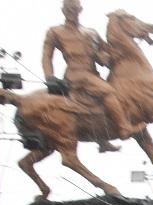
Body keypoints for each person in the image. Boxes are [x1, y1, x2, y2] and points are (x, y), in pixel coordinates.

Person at [42, 0, 141, 149]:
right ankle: (124, 128)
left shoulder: (91, 32)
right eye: (68, 8)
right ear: (63, 10)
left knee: (103, 101)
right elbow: (47, 56)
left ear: (80, 9)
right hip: (75, 75)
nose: (71, 11)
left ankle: (101, 139)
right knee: (108, 91)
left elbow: (108, 50)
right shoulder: (55, 31)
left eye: (74, 8)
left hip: (92, 74)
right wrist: (49, 77)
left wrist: (107, 54)